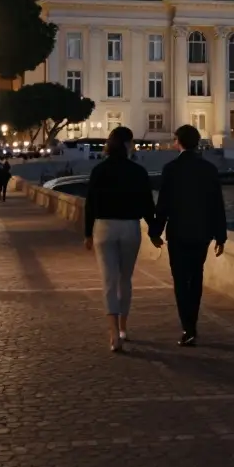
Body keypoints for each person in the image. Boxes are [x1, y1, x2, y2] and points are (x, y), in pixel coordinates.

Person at [149, 125, 227, 347]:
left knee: (180, 280)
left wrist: (155, 231)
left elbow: (163, 204)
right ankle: (192, 321)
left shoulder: (171, 169)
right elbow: (216, 205)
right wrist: (221, 236)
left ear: (178, 142)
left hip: (178, 233)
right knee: (196, 277)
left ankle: (188, 327)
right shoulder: (209, 169)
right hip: (202, 233)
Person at [83, 126, 156, 352]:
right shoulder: (138, 171)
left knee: (108, 281)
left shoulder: (99, 170)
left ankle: (113, 331)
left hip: (104, 227)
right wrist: (154, 230)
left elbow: (90, 204)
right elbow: (146, 205)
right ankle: (124, 327)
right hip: (129, 227)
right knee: (125, 280)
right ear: (127, 145)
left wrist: (87, 233)